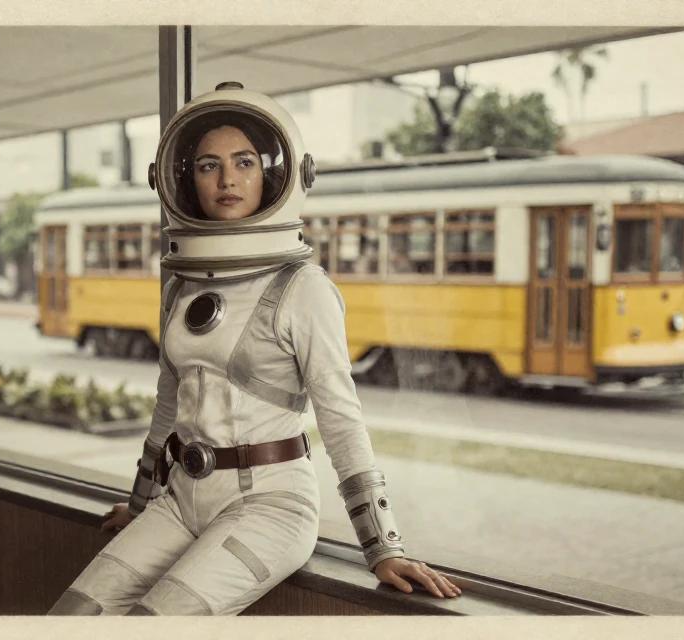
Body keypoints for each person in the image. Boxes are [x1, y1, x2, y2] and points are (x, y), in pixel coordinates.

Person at [48, 82, 459, 616]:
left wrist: (384, 545)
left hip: (270, 504)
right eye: (208, 166)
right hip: (182, 500)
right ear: (181, 180)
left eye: (244, 162)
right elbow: (169, 404)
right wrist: (140, 502)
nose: (227, 179)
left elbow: (340, 417)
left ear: (273, 176)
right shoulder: (181, 287)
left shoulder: (303, 288)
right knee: (71, 616)